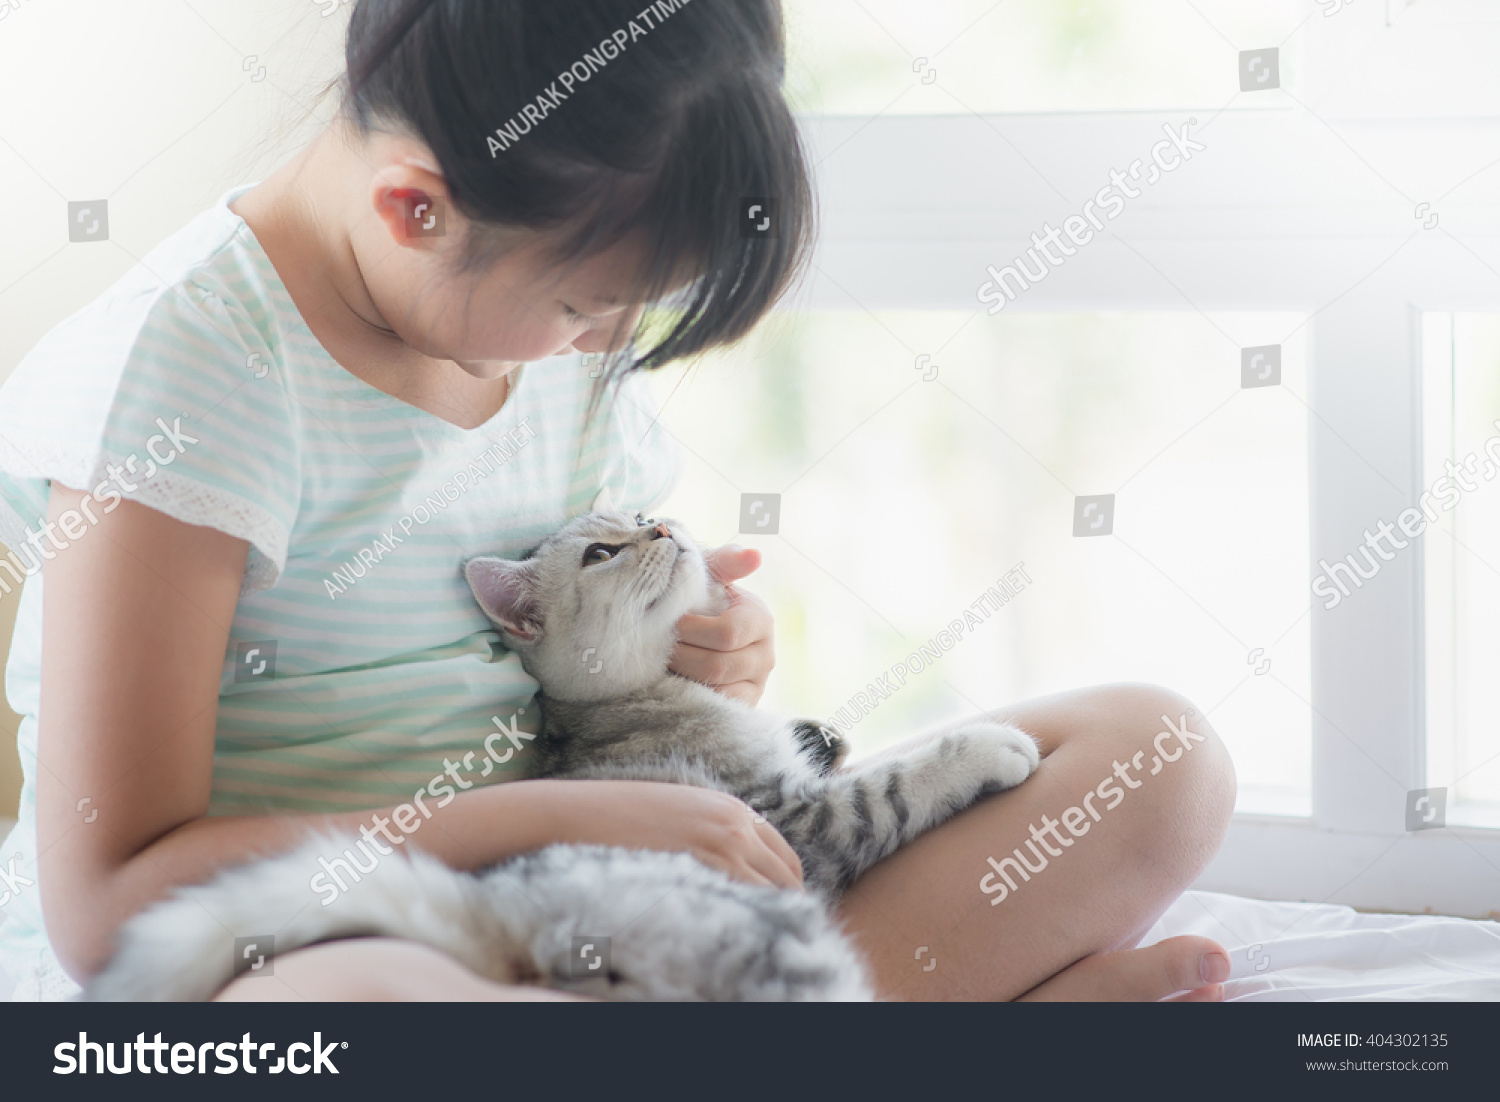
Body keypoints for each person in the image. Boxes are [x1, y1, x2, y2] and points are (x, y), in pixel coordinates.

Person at [0, 0, 1234, 1003]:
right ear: (413, 206)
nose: (608, 341)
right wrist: (578, 813)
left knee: (1159, 758)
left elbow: (589, 669)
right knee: (372, 1007)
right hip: (336, 931)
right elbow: (112, 905)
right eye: (589, 305)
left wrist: (695, 668)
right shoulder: (187, 379)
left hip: (606, 898)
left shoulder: (545, 348)